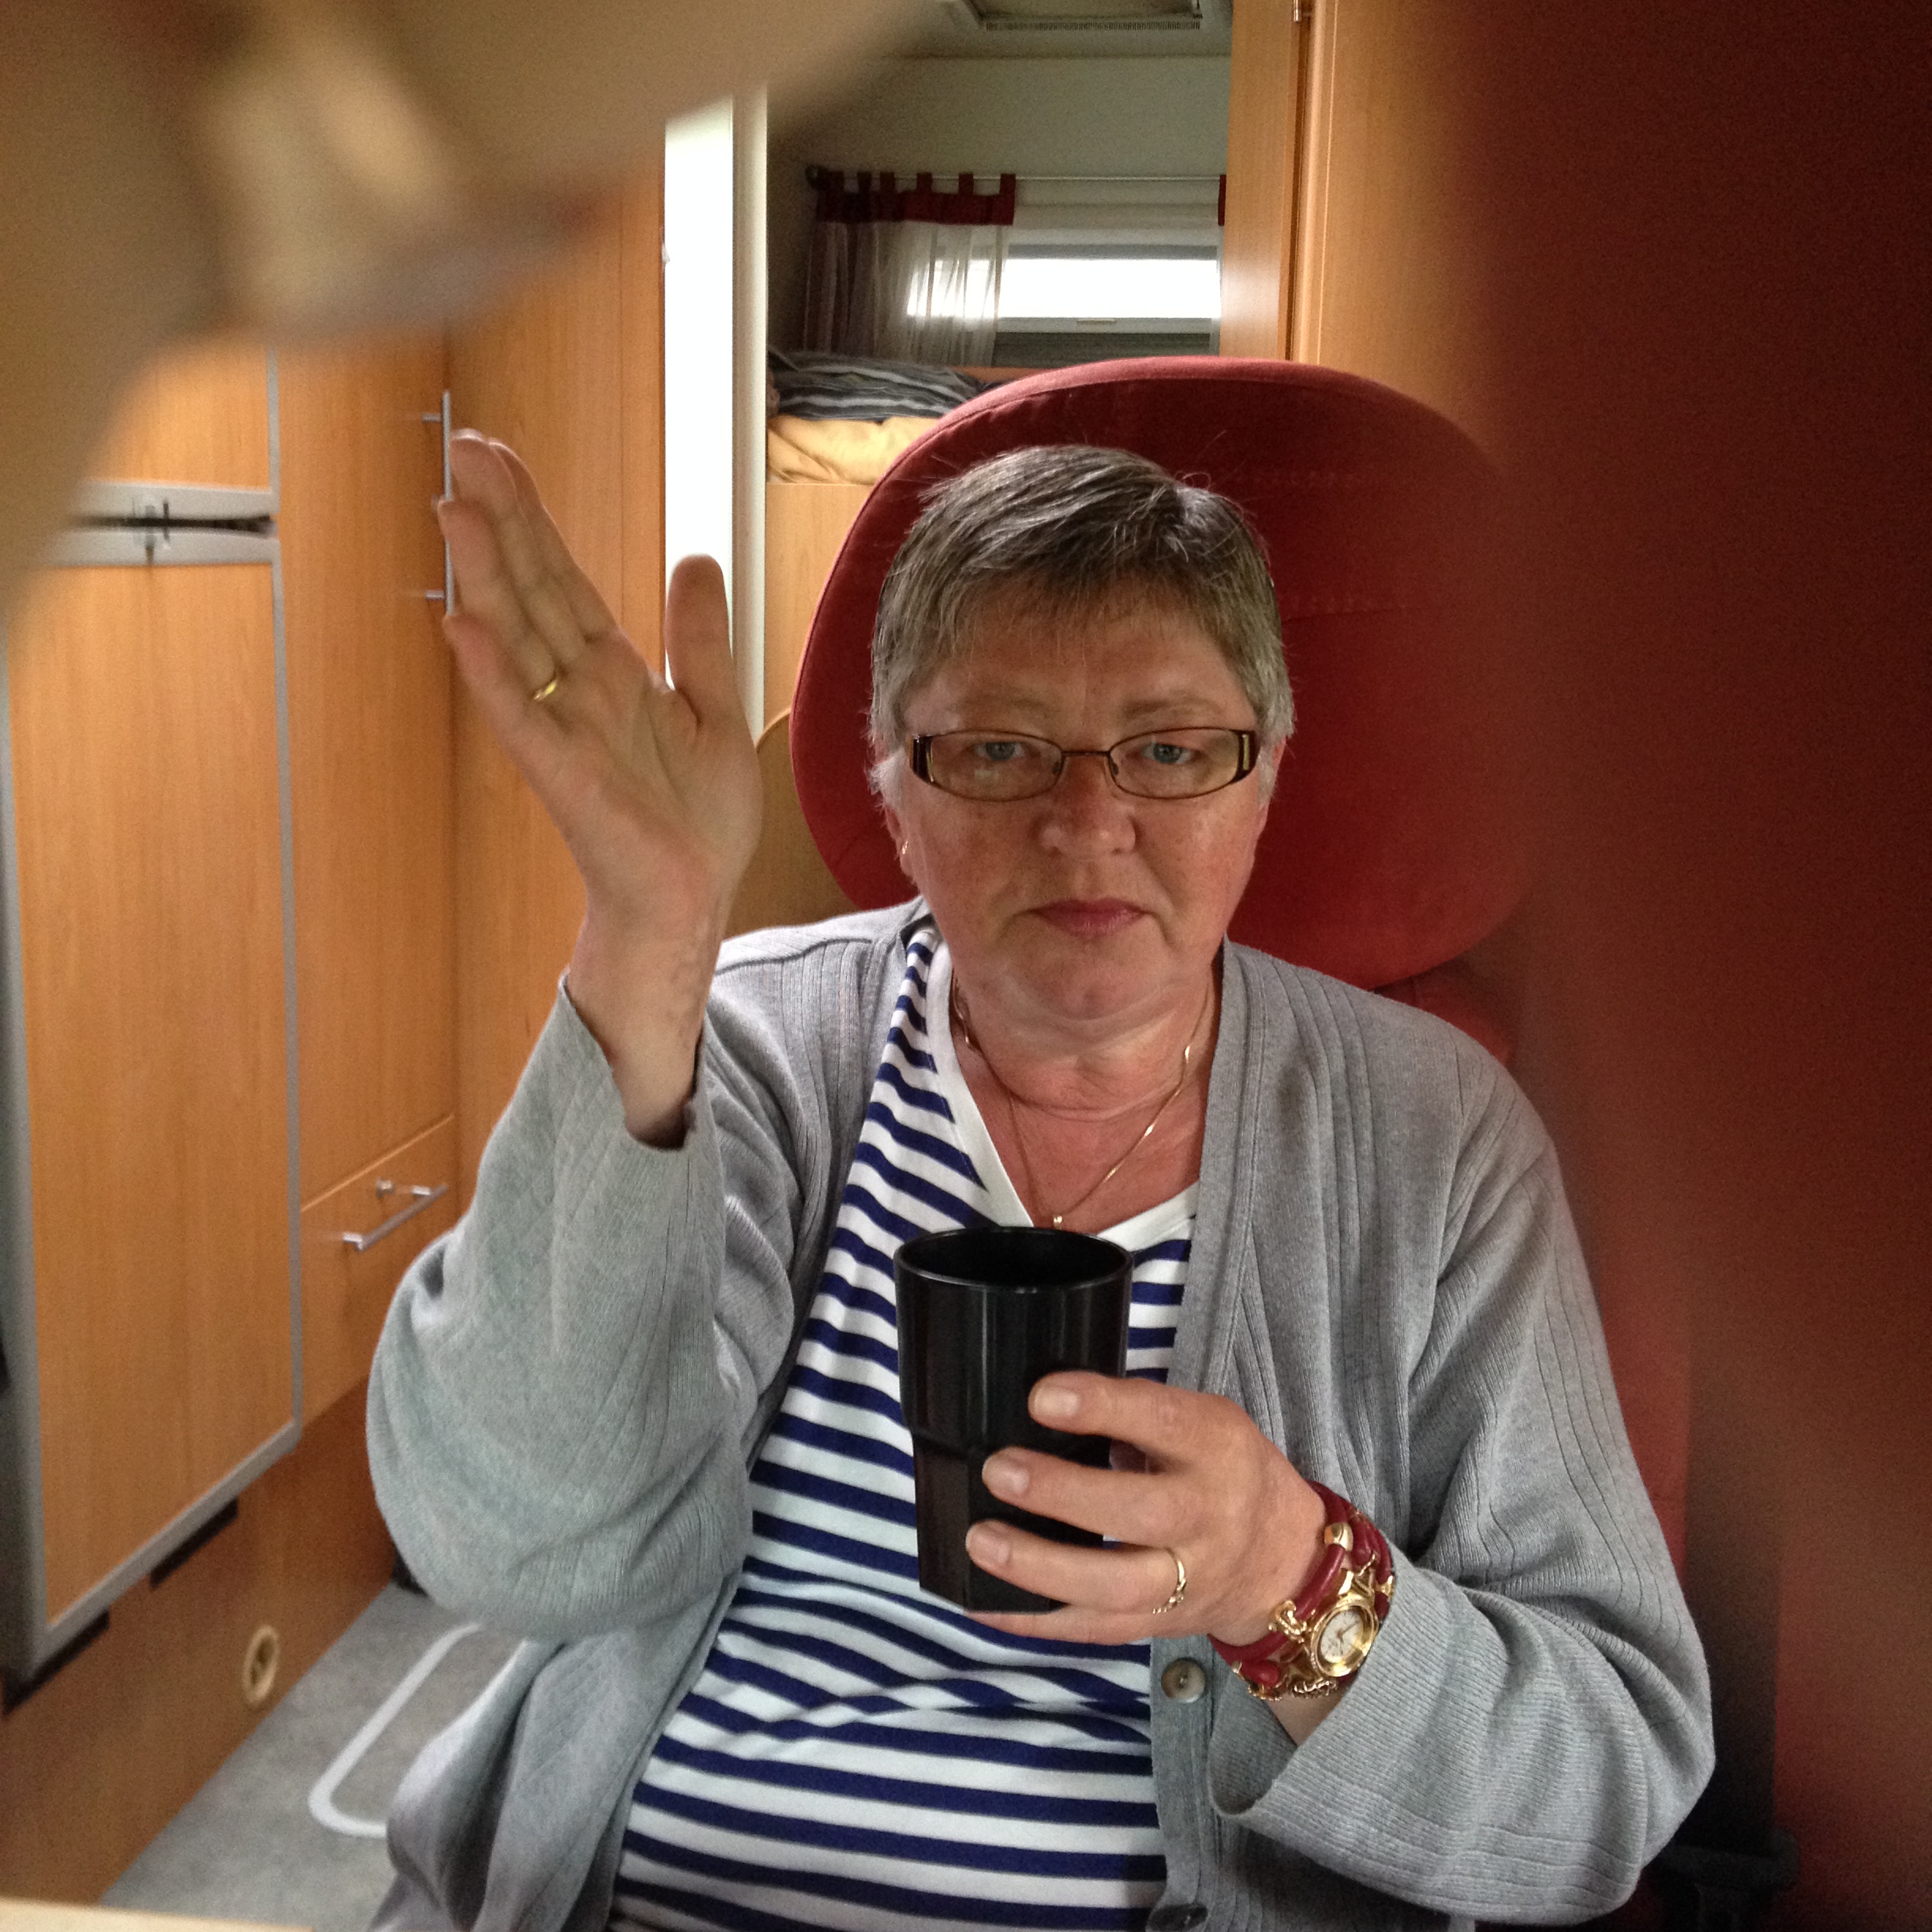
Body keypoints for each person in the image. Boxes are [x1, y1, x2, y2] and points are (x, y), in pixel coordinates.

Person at [365, 432, 1713, 1932]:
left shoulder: (1438, 1138)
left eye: (1171, 748)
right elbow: (518, 1543)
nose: (1086, 823)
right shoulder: (747, 1042)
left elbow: (1600, 1786)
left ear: (1265, 781)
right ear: (894, 793)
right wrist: (647, 935)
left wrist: (1283, 1578)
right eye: (998, 749)